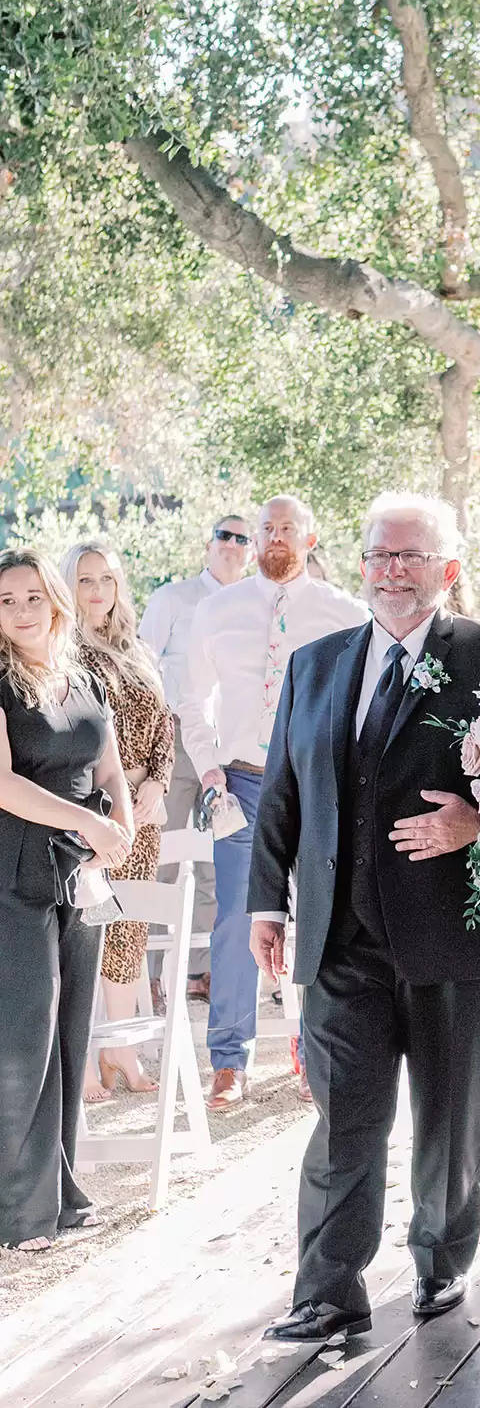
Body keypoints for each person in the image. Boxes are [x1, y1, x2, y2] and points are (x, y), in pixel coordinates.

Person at [249, 492, 480, 1344]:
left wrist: (474, 820)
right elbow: (283, 794)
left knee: (451, 1120)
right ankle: (327, 1289)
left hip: (459, 937)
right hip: (340, 939)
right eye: (380, 554)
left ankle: (440, 1263)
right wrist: (267, 902)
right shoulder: (316, 664)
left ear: (448, 569)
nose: (392, 571)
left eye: (411, 557)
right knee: (344, 1118)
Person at [179, 495, 368, 1110]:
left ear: (310, 539)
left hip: (316, 784)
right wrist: (210, 774)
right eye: (267, 529)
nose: (275, 539)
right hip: (239, 781)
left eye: (288, 529)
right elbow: (191, 698)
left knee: (318, 917)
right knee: (236, 916)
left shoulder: (345, 613)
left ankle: (314, 1055)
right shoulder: (217, 611)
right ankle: (229, 1061)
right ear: (255, 538)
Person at [0, 548, 133, 1253]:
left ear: (54, 599)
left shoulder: (84, 678)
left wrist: (123, 825)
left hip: (81, 873)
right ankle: (22, 1216)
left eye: (31, 596)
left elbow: (107, 766)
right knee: (27, 1036)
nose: (21, 611)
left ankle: (63, 1196)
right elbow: (4, 785)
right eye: (5, 600)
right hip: (15, 868)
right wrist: (88, 821)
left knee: (71, 1032)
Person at [61, 542, 175, 1101]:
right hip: (90, 811)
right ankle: (80, 1056)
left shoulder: (137, 650)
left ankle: (121, 1052)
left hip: (143, 814)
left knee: (129, 927)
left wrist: (156, 781)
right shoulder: (61, 651)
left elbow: (165, 727)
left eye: (106, 578)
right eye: (86, 580)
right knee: (86, 930)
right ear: (69, 586)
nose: (98, 590)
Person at [138, 514, 253, 1009]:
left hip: (228, 751)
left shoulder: (253, 606)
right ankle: (146, 977)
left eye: (241, 538)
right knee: (160, 858)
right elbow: (141, 664)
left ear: (250, 551)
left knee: (211, 862)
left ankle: (198, 972)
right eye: (223, 535)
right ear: (208, 544)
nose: (231, 544)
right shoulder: (173, 599)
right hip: (172, 740)